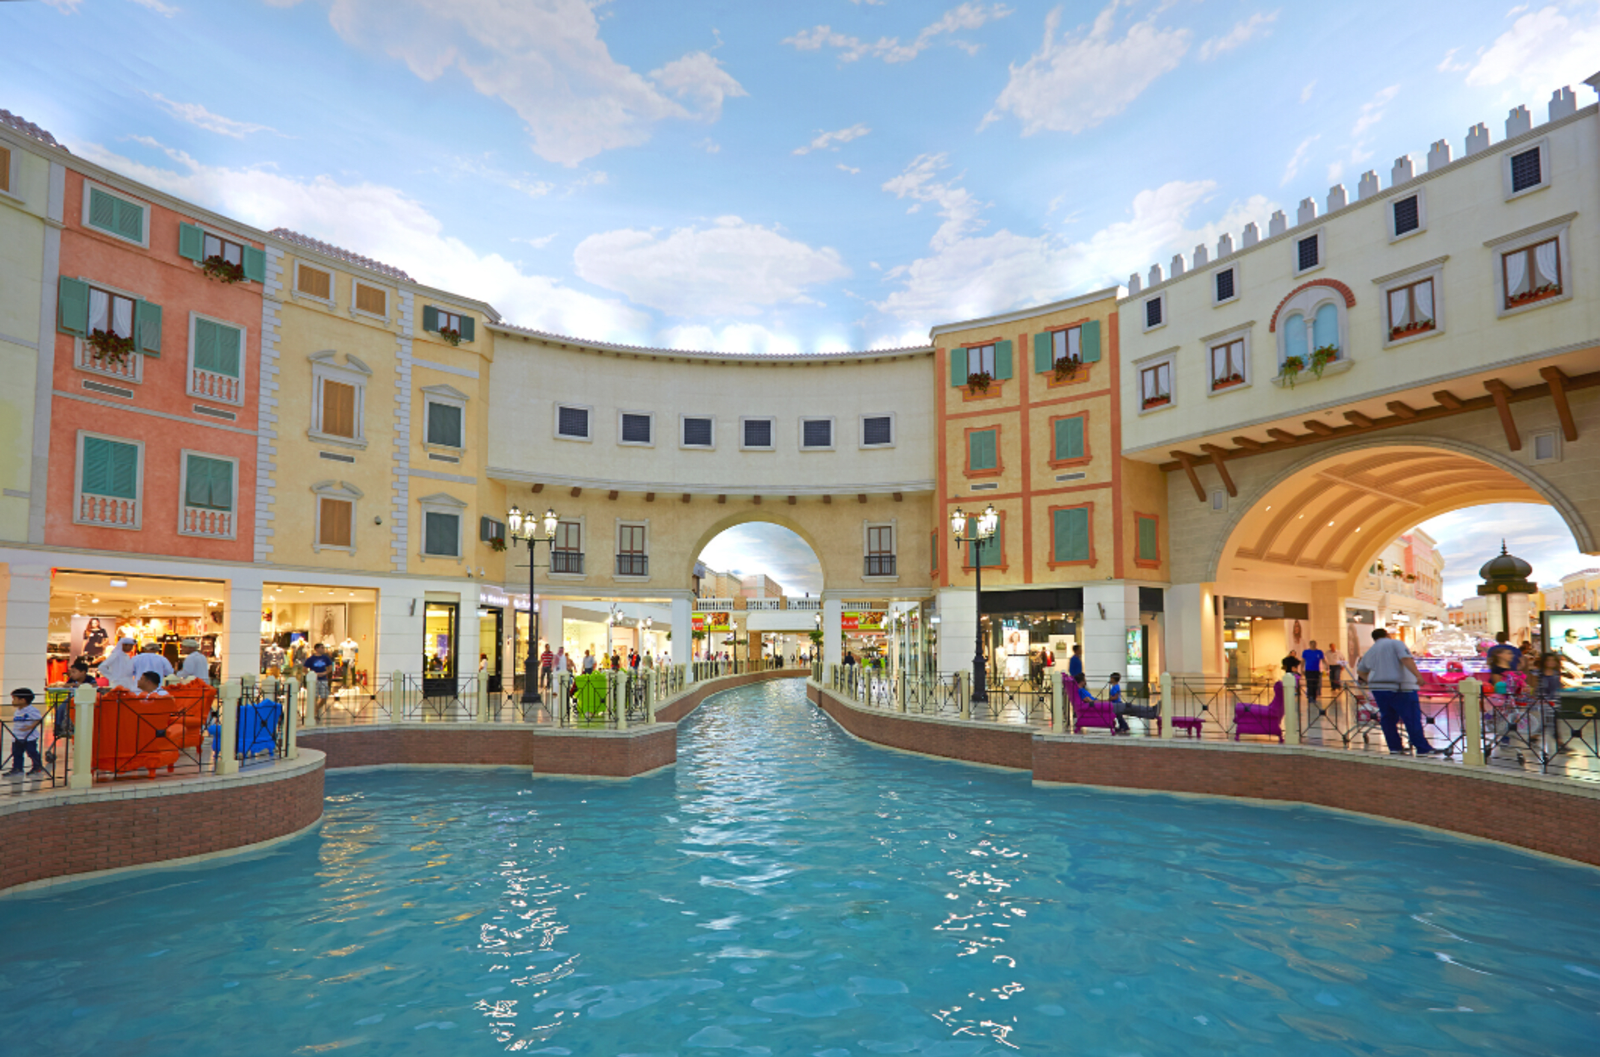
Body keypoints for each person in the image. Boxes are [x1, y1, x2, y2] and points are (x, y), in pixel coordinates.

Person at [1356, 628, 1438, 756]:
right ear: (1387, 635)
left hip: (1379, 689)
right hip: (1401, 687)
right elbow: (1406, 659)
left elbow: (1360, 671)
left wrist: (1372, 681)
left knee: (1387, 718)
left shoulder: (1370, 651)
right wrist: (1418, 675)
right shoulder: (1396, 643)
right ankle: (1422, 748)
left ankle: (1394, 747)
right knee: (1411, 717)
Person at [6, 689, 45, 776]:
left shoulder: (31, 710)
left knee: (32, 752)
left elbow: (38, 719)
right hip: (17, 737)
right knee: (16, 753)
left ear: (22, 700)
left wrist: (30, 727)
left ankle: (37, 767)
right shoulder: (18, 710)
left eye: (14, 699)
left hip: (29, 738)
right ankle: (17, 768)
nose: (12, 701)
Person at [305, 642, 333, 718]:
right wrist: (312, 674)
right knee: (314, 696)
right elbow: (304, 669)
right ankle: (314, 711)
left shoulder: (326, 658)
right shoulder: (311, 659)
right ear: (317, 649)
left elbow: (330, 668)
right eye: (322, 648)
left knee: (324, 696)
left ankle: (316, 709)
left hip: (323, 679)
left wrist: (325, 673)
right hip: (314, 680)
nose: (323, 649)